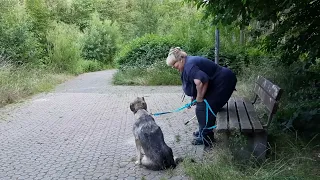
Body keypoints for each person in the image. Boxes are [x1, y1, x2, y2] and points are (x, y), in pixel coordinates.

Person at [166, 47, 237, 147]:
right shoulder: (187, 63)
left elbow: (201, 81)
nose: (173, 67)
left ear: (181, 60)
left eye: (174, 64)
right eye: (172, 66)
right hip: (220, 81)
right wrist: (195, 97)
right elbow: (196, 83)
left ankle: (206, 139)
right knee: (202, 107)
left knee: (204, 108)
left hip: (224, 81)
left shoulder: (189, 66)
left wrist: (199, 98)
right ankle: (202, 132)